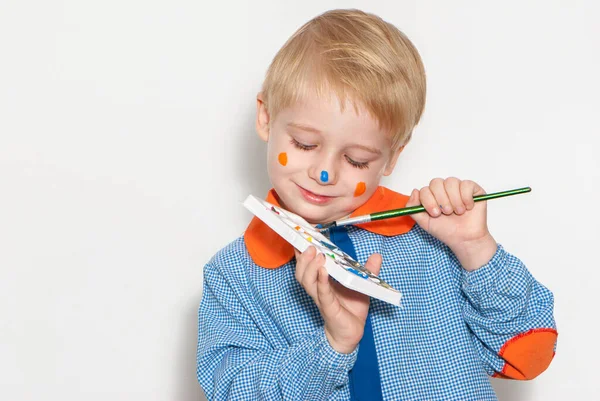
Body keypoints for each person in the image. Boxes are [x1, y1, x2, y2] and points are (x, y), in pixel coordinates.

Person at [196, 9, 557, 401]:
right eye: (304, 143)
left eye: (356, 160)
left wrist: (476, 251)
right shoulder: (233, 277)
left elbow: (530, 358)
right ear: (266, 118)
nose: (324, 174)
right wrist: (333, 348)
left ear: (392, 158)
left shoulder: (435, 244)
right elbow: (232, 392)